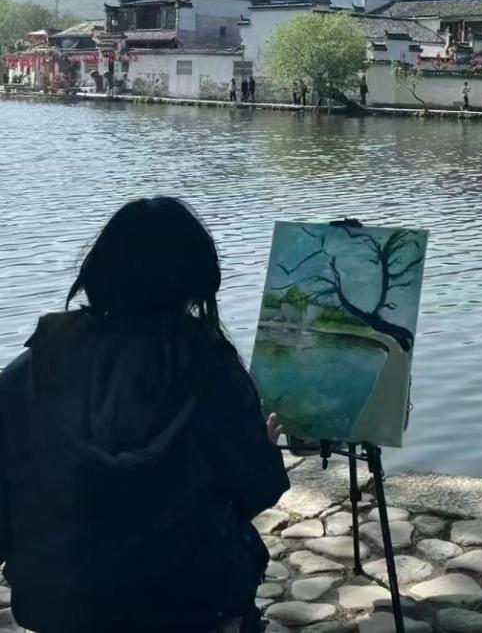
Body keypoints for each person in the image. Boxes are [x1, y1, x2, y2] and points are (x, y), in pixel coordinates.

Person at [0, 196, 288, 633]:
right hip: (187, 605)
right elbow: (258, 489)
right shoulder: (210, 368)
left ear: (98, 273)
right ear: (195, 280)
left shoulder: (35, 365)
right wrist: (264, 449)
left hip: (57, 603)